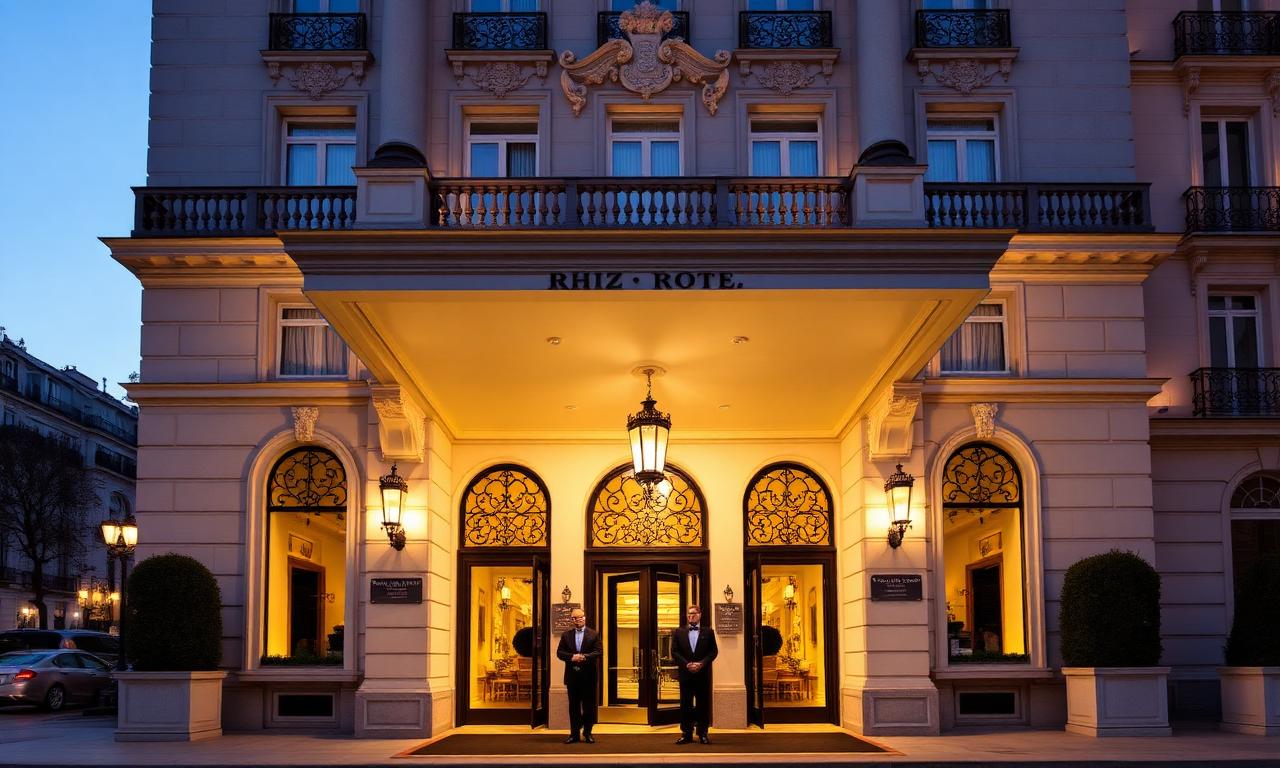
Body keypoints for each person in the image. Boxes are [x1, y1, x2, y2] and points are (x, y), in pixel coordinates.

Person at [672, 604, 718, 744]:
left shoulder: (708, 632)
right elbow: (674, 651)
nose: (691, 616)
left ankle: (703, 733)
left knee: (702, 704)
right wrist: (687, 663)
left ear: (700, 615)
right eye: (689, 614)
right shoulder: (678, 632)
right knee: (685, 704)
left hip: (702, 674)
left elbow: (713, 651)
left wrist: (702, 663)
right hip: (685, 675)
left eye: (694, 614)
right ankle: (686, 733)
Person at [555, 607, 602, 744]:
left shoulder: (594, 634)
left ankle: (587, 733)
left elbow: (599, 652)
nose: (578, 620)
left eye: (580, 617)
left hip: (589, 678)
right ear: (572, 620)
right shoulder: (566, 635)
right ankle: (574, 735)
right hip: (572, 678)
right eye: (575, 618)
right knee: (573, 707)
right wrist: (572, 657)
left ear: (584, 617)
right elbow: (559, 653)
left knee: (589, 707)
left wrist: (584, 657)